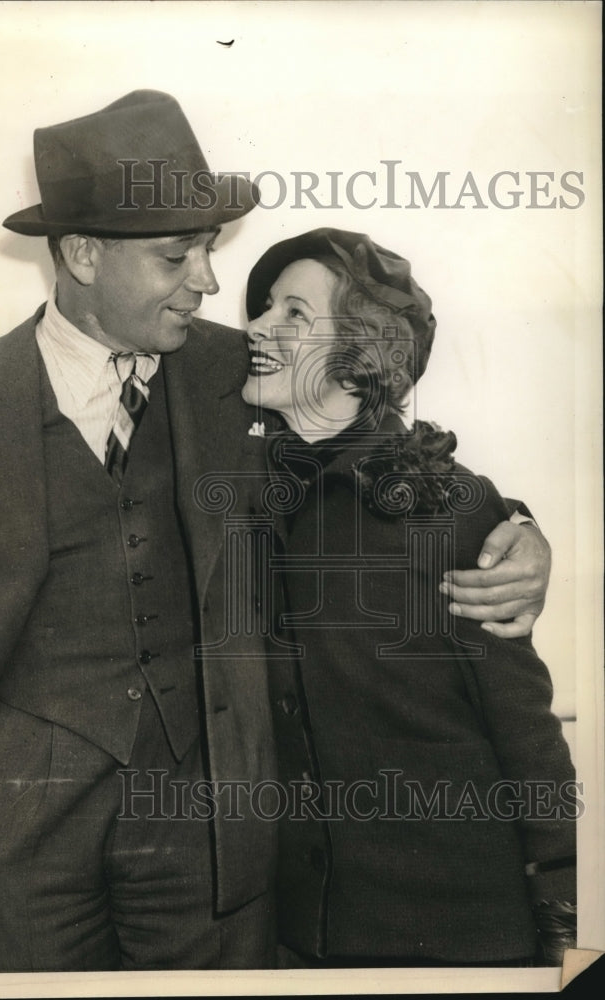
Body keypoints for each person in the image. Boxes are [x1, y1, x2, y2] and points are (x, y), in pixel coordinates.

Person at [0, 92, 551, 973]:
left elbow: (383, 435)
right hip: (16, 836)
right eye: (175, 255)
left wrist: (518, 531)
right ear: (80, 255)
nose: (210, 282)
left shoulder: (238, 367)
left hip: (210, 840)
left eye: (207, 250)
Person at [240, 228, 577, 968]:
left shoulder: (449, 508)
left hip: (459, 939)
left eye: (294, 313)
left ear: (361, 355)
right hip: (299, 942)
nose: (257, 327)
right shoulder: (248, 494)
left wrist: (567, 927)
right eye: (264, 308)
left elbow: (527, 739)